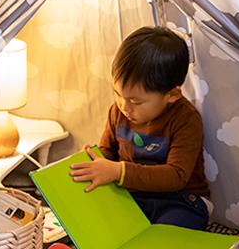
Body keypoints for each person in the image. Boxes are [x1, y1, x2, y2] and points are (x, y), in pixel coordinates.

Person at [69, 26, 211, 230]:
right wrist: (95, 159)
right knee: (95, 222)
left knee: (168, 232)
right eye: (118, 94)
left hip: (181, 200)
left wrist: (118, 171)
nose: (124, 106)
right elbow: (108, 153)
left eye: (135, 101)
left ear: (171, 95)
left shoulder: (186, 119)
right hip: (132, 196)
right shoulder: (118, 111)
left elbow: (176, 176)